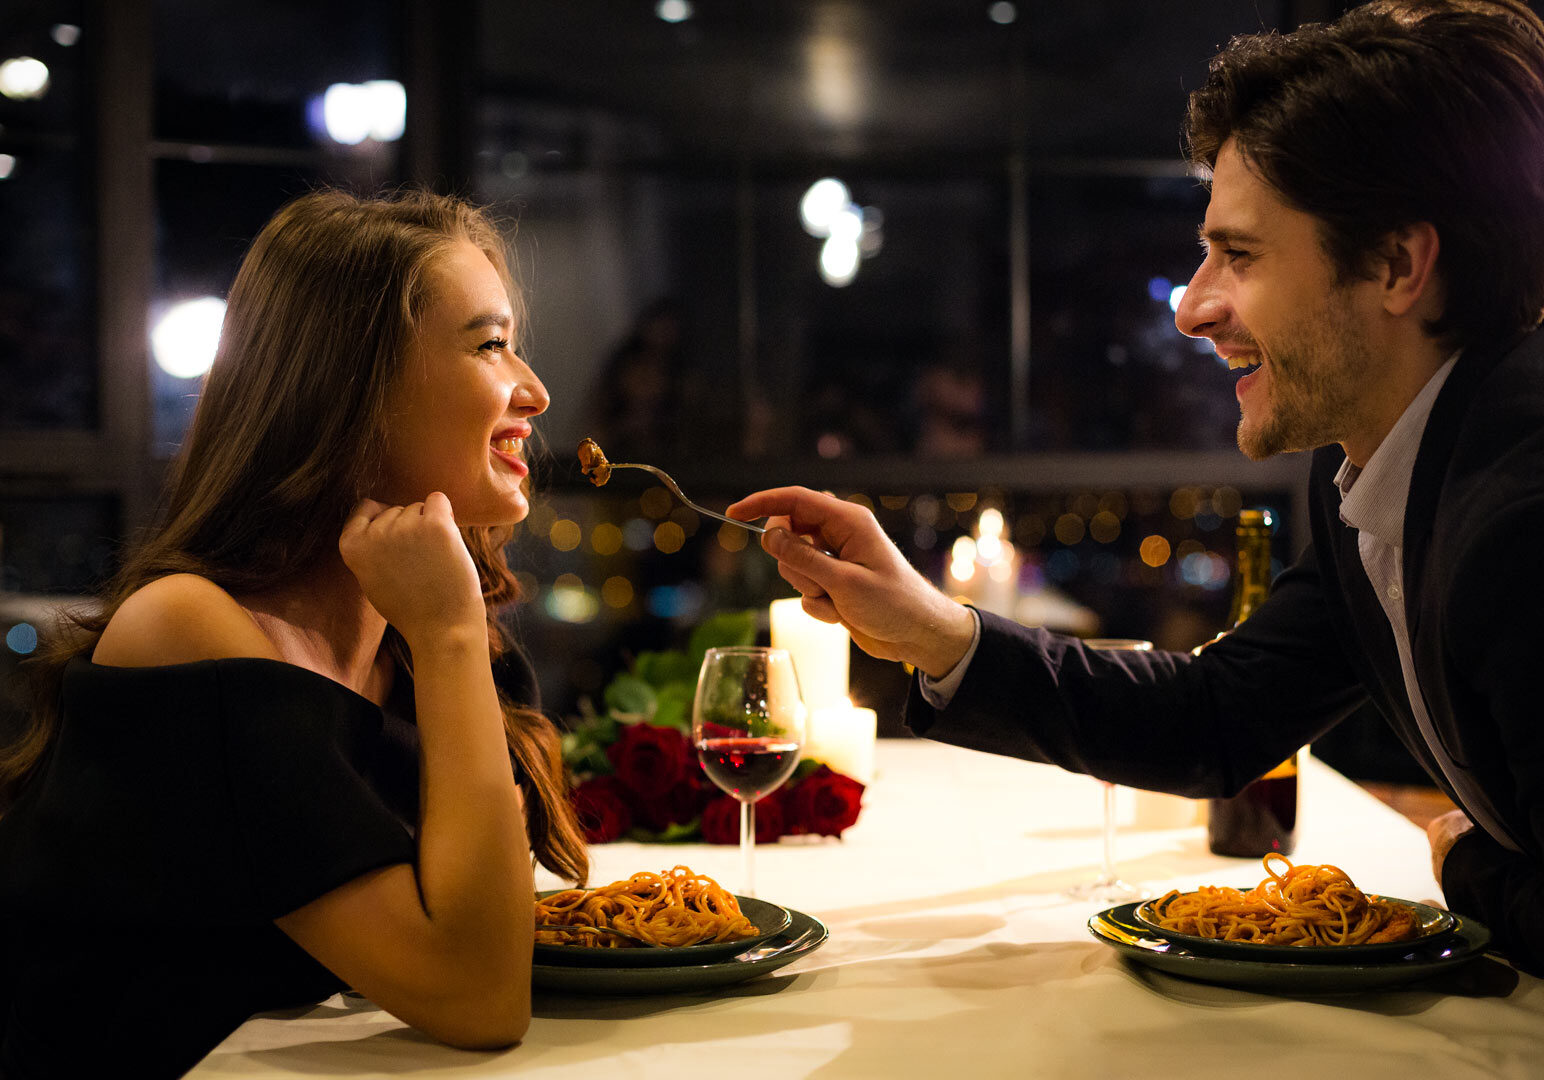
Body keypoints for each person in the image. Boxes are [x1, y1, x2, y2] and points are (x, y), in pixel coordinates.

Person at [729, 0, 1544, 973]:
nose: (1193, 308)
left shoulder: (1521, 522)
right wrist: (932, 631)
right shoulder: (1371, 463)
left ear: (1396, 265)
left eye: (1236, 255)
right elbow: (1215, 718)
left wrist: (1466, 865)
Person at [0, 189, 590, 1077]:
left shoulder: (407, 637)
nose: (534, 390)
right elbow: (478, 998)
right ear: (351, 388)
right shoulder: (187, 632)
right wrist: (453, 637)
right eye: (489, 344)